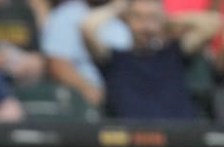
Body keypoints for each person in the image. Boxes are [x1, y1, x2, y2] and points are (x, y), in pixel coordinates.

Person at [83, 0, 222, 120]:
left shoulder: (175, 53)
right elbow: (88, 28)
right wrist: (119, 8)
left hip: (181, 140)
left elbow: (212, 23)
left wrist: (167, 20)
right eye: (138, 18)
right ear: (126, 20)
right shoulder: (114, 59)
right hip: (129, 142)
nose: (146, 27)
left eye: (152, 18)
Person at [40, 0, 131, 113]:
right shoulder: (68, 13)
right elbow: (57, 64)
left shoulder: (126, 16)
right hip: (83, 98)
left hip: (122, 95)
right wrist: (88, 89)